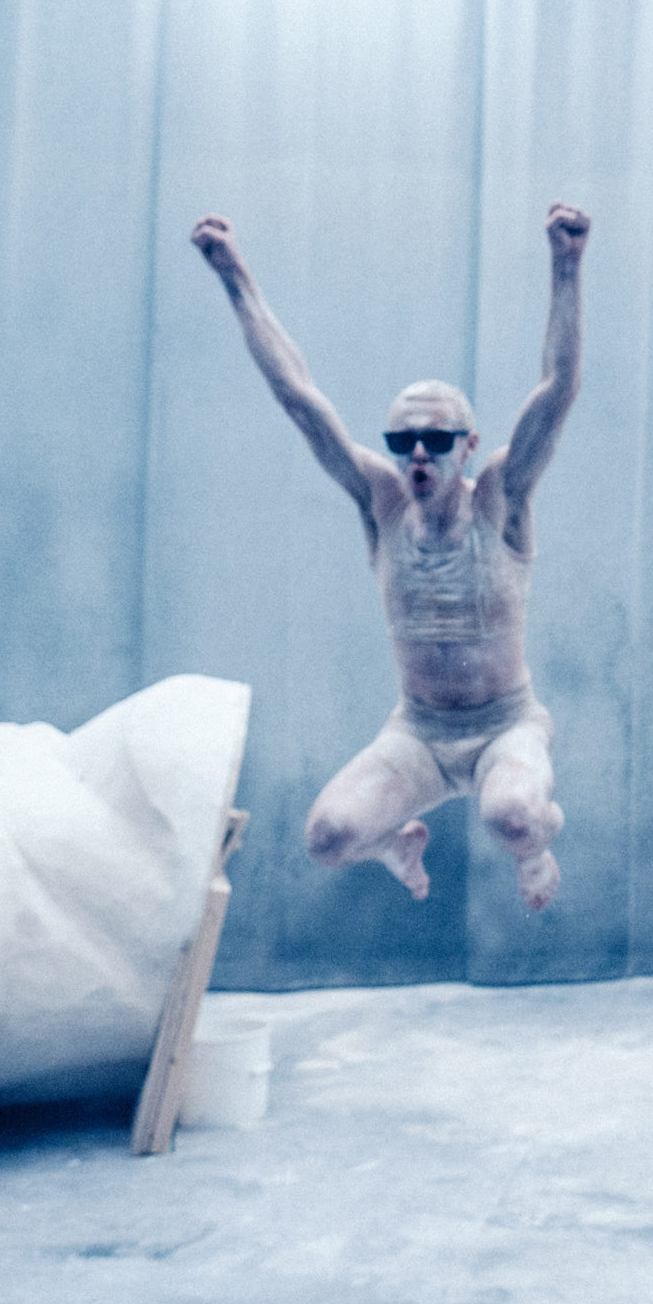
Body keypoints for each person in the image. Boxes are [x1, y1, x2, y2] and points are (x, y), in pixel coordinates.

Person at [188, 206, 587, 910]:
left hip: (505, 725)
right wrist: (233, 275)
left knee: (513, 816)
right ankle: (391, 844)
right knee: (327, 837)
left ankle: (536, 847)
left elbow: (556, 394)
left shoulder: (501, 499)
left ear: (469, 445)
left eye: (437, 440)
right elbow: (298, 398)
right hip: (421, 733)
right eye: (403, 442)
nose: (419, 454)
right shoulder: (382, 504)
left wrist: (566, 266)